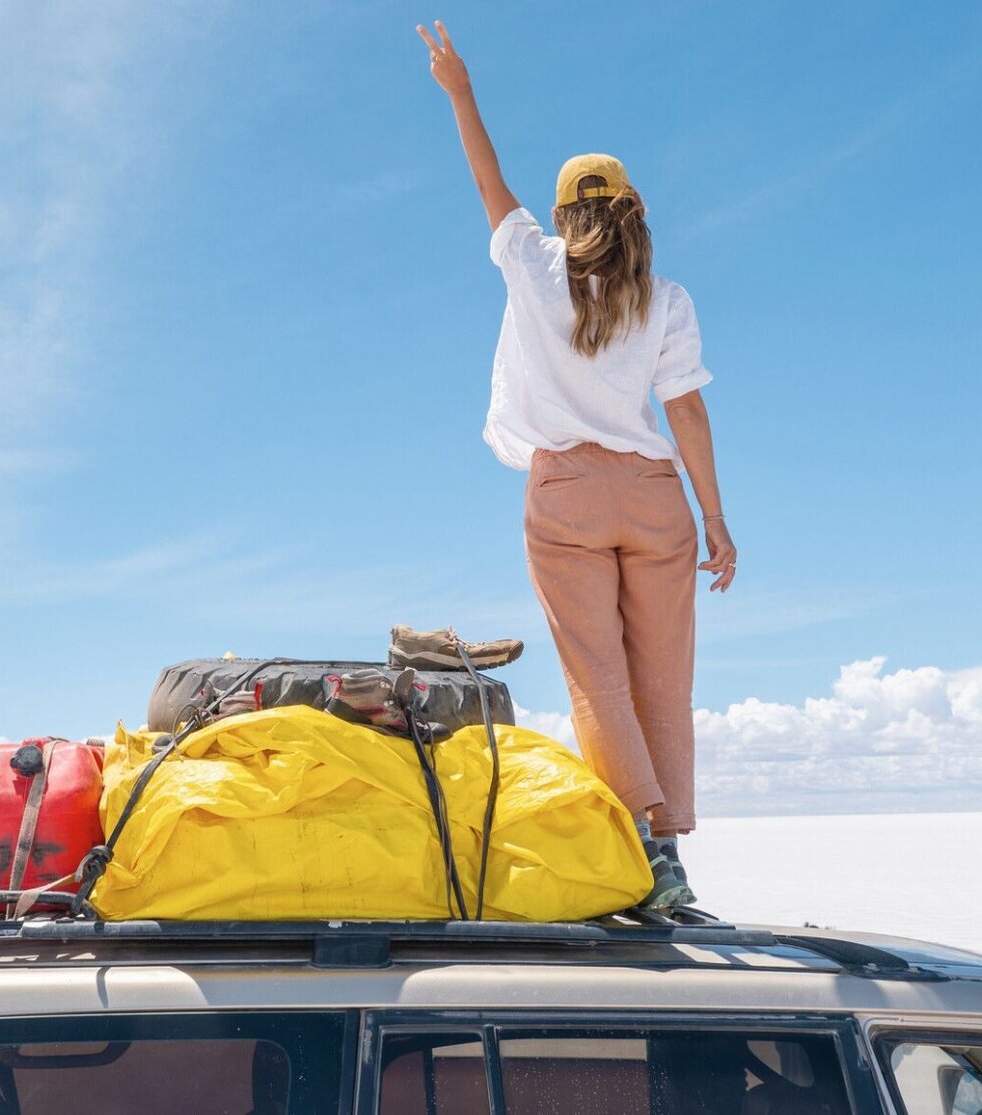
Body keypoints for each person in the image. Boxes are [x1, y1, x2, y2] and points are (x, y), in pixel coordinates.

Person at [417, 21, 736, 909]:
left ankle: (643, 856)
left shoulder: (530, 263)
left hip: (565, 492)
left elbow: (488, 180)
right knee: (662, 673)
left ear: (564, 217)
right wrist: (715, 519)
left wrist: (459, 89)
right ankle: (669, 849)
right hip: (653, 494)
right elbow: (689, 411)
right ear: (633, 211)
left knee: (597, 673)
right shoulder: (664, 298)